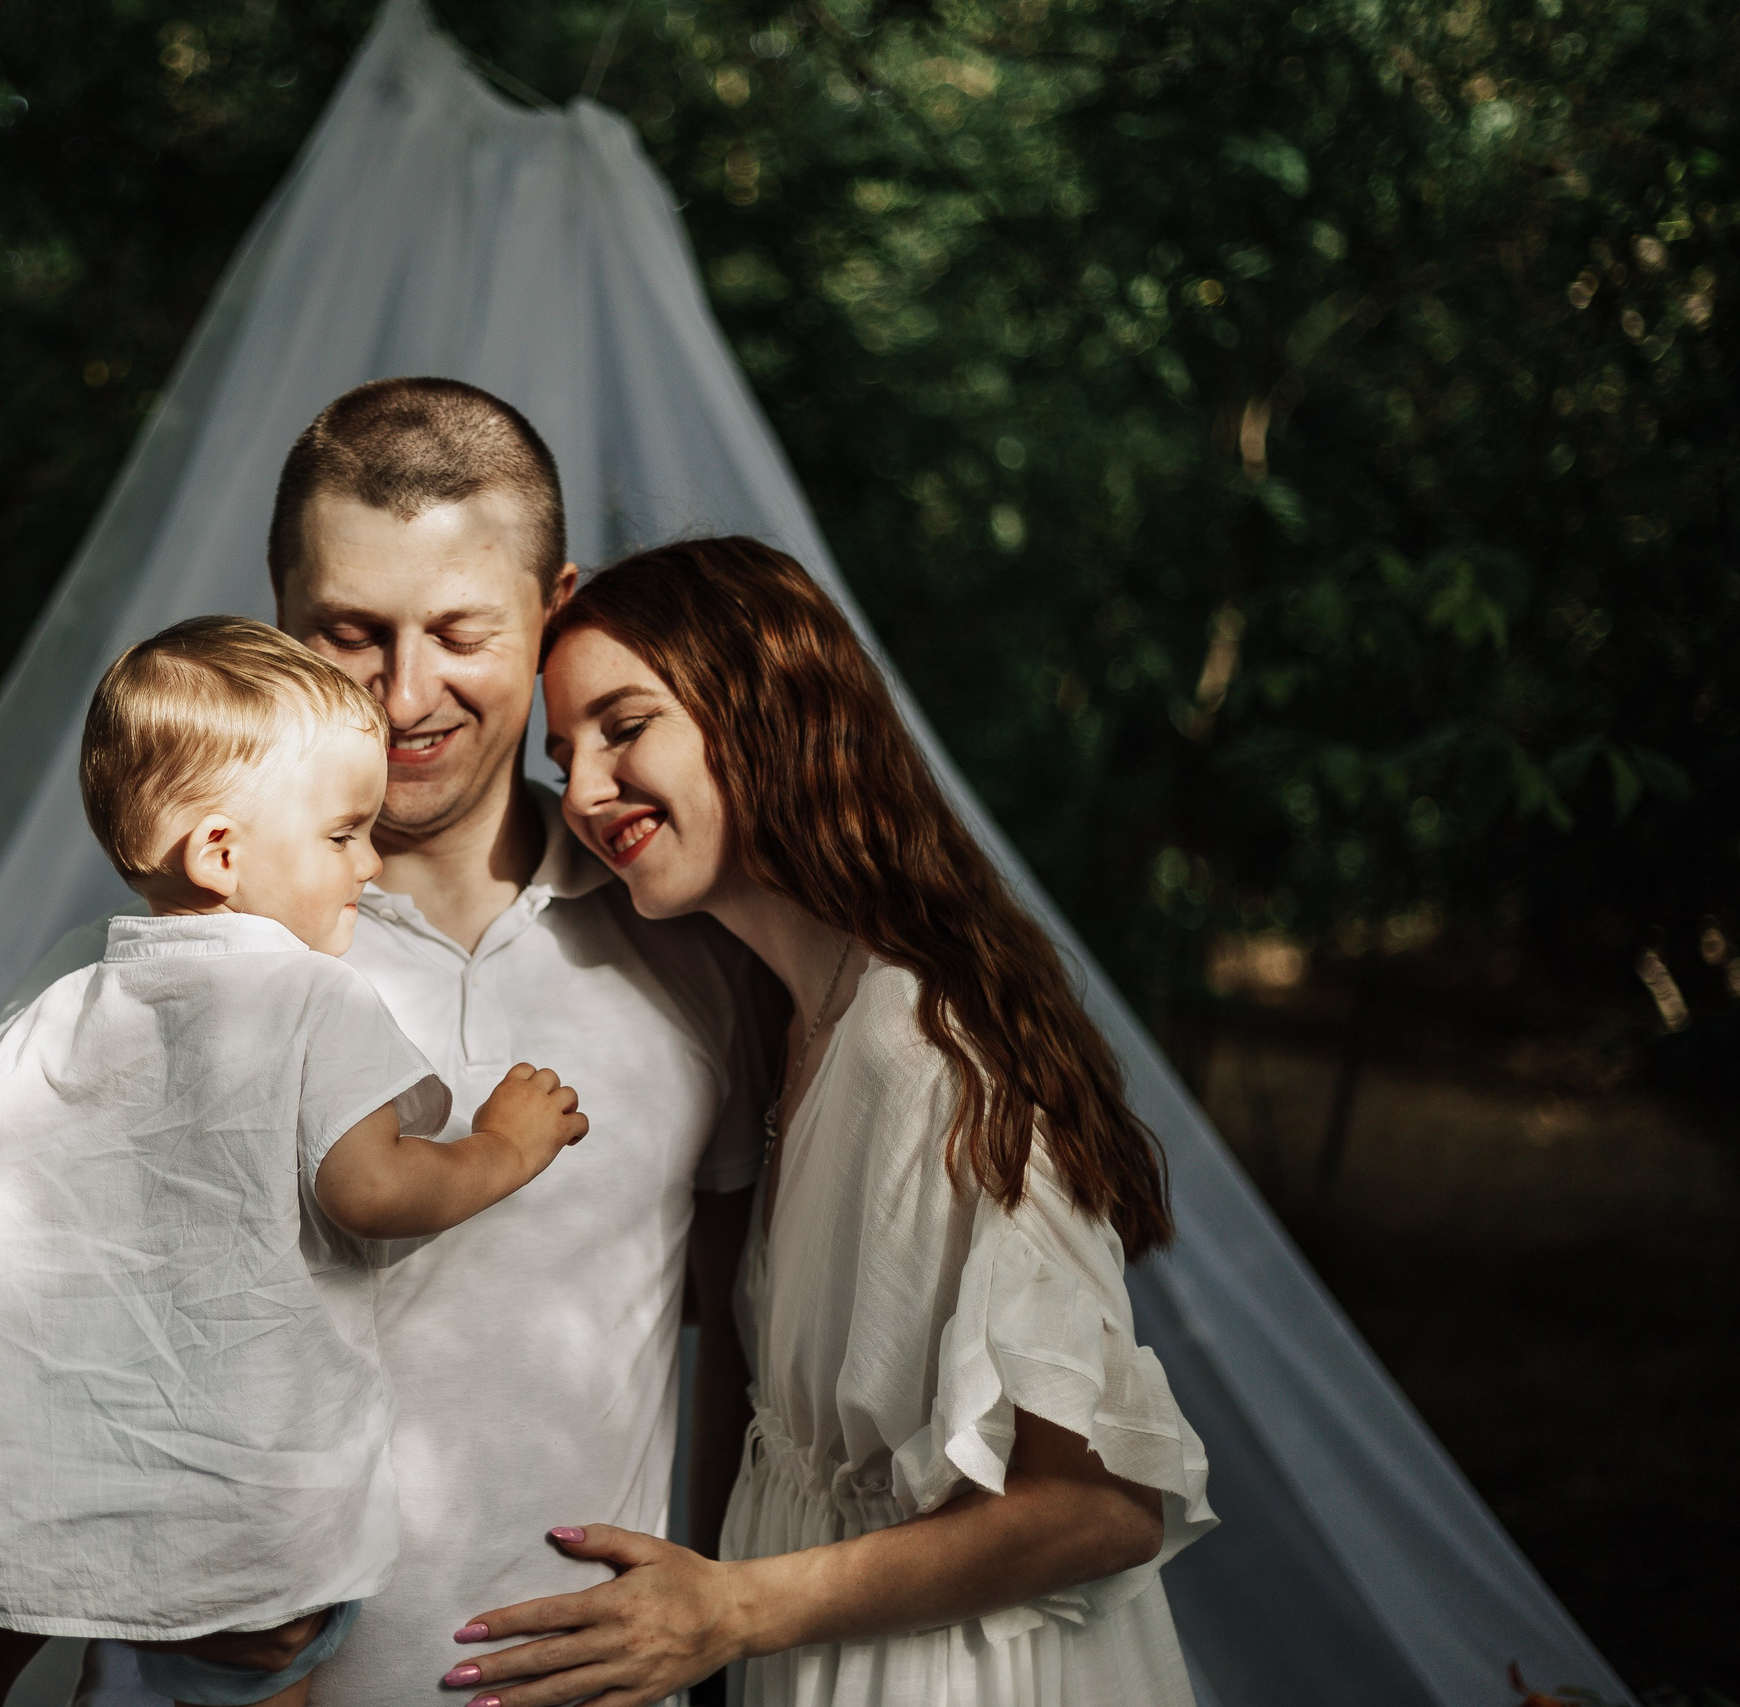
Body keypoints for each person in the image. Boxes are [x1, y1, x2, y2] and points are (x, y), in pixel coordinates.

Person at [0, 380, 780, 1705]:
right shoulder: (146, 980)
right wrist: (161, 1596)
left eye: (459, 630)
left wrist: (710, 1630)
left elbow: (739, 1365)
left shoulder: (690, 946)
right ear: (277, 614)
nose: (407, 693)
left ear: (553, 610)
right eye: (349, 631)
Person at [445, 537, 1215, 1707]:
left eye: (624, 725)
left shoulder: (932, 1040)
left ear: (763, 709)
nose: (587, 791)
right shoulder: (795, 1021)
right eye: (563, 753)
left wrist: (735, 1608)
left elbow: (1102, 1503)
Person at [0, 617, 591, 1707]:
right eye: (342, 835)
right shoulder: (305, 994)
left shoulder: (59, 1002)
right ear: (221, 853)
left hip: (56, 1516)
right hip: (245, 1547)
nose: (370, 868)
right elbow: (371, 1191)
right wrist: (503, 1146)